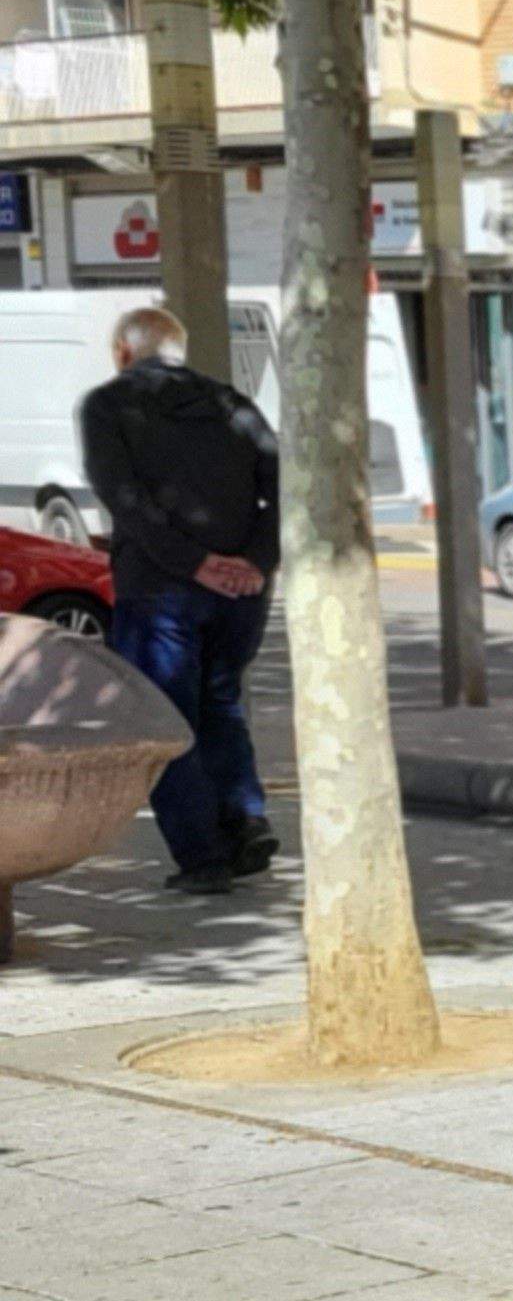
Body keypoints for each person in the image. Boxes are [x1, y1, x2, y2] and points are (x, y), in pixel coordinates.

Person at [85, 305, 283, 897]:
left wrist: (193, 564)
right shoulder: (234, 404)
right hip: (241, 595)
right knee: (220, 703)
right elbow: (279, 487)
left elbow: (124, 499)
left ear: (124, 352)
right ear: (180, 347)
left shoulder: (107, 406)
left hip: (159, 590)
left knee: (163, 722)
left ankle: (203, 855)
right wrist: (254, 560)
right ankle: (244, 820)